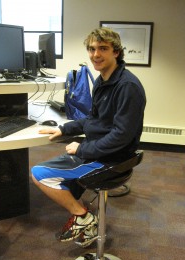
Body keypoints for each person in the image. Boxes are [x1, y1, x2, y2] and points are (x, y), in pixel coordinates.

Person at [31, 27, 146, 247]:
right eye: (92, 49)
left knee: (39, 174)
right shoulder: (104, 80)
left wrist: (82, 149)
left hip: (111, 158)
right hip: (100, 149)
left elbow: (121, 136)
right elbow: (93, 119)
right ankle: (84, 216)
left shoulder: (127, 87)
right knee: (61, 177)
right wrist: (65, 129)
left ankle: (84, 217)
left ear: (116, 52)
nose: (96, 55)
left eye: (103, 49)